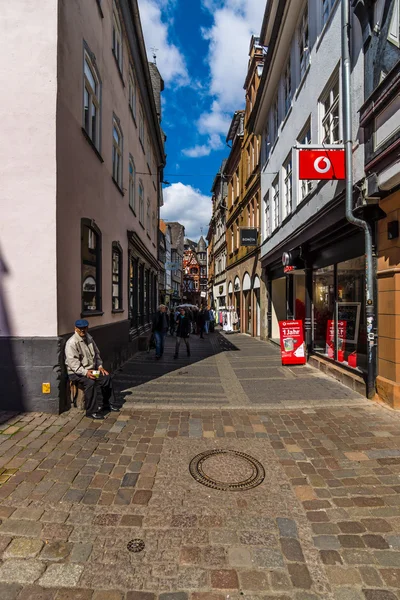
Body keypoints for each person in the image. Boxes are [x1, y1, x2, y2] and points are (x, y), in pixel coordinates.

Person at [65, 319, 119, 420]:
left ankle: (107, 404)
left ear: (87, 328)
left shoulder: (89, 338)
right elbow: (73, 364)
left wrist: (100, 367)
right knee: (90, 382)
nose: (82, 331)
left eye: (84, 329)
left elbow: (97, 354)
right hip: (76, 372)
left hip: (91, 370)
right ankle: (91, 411)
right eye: (80, 329)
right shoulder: (71, 343)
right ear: (75, 329)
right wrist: (85, 372)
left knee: (106, 377)